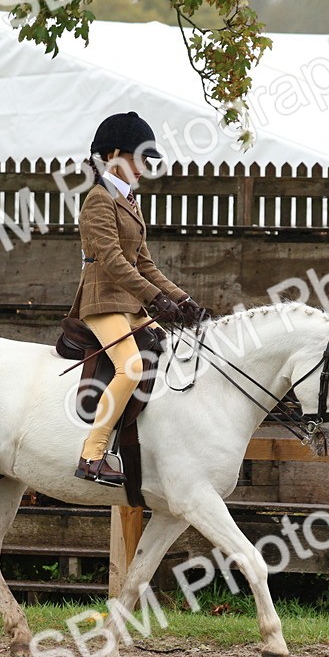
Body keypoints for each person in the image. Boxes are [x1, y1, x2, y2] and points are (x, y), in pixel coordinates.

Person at [67, 111, 204, 486]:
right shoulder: (98, 200)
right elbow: (112, 261)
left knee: (175, 349)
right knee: (130, 367)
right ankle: (92, 455)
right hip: (103, 302)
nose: (145, 168)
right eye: (139, 159)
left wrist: (181, 298)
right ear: (113, 155)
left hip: (130, 304)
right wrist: (155, 299)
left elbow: (145, 264)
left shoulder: (128, 201)